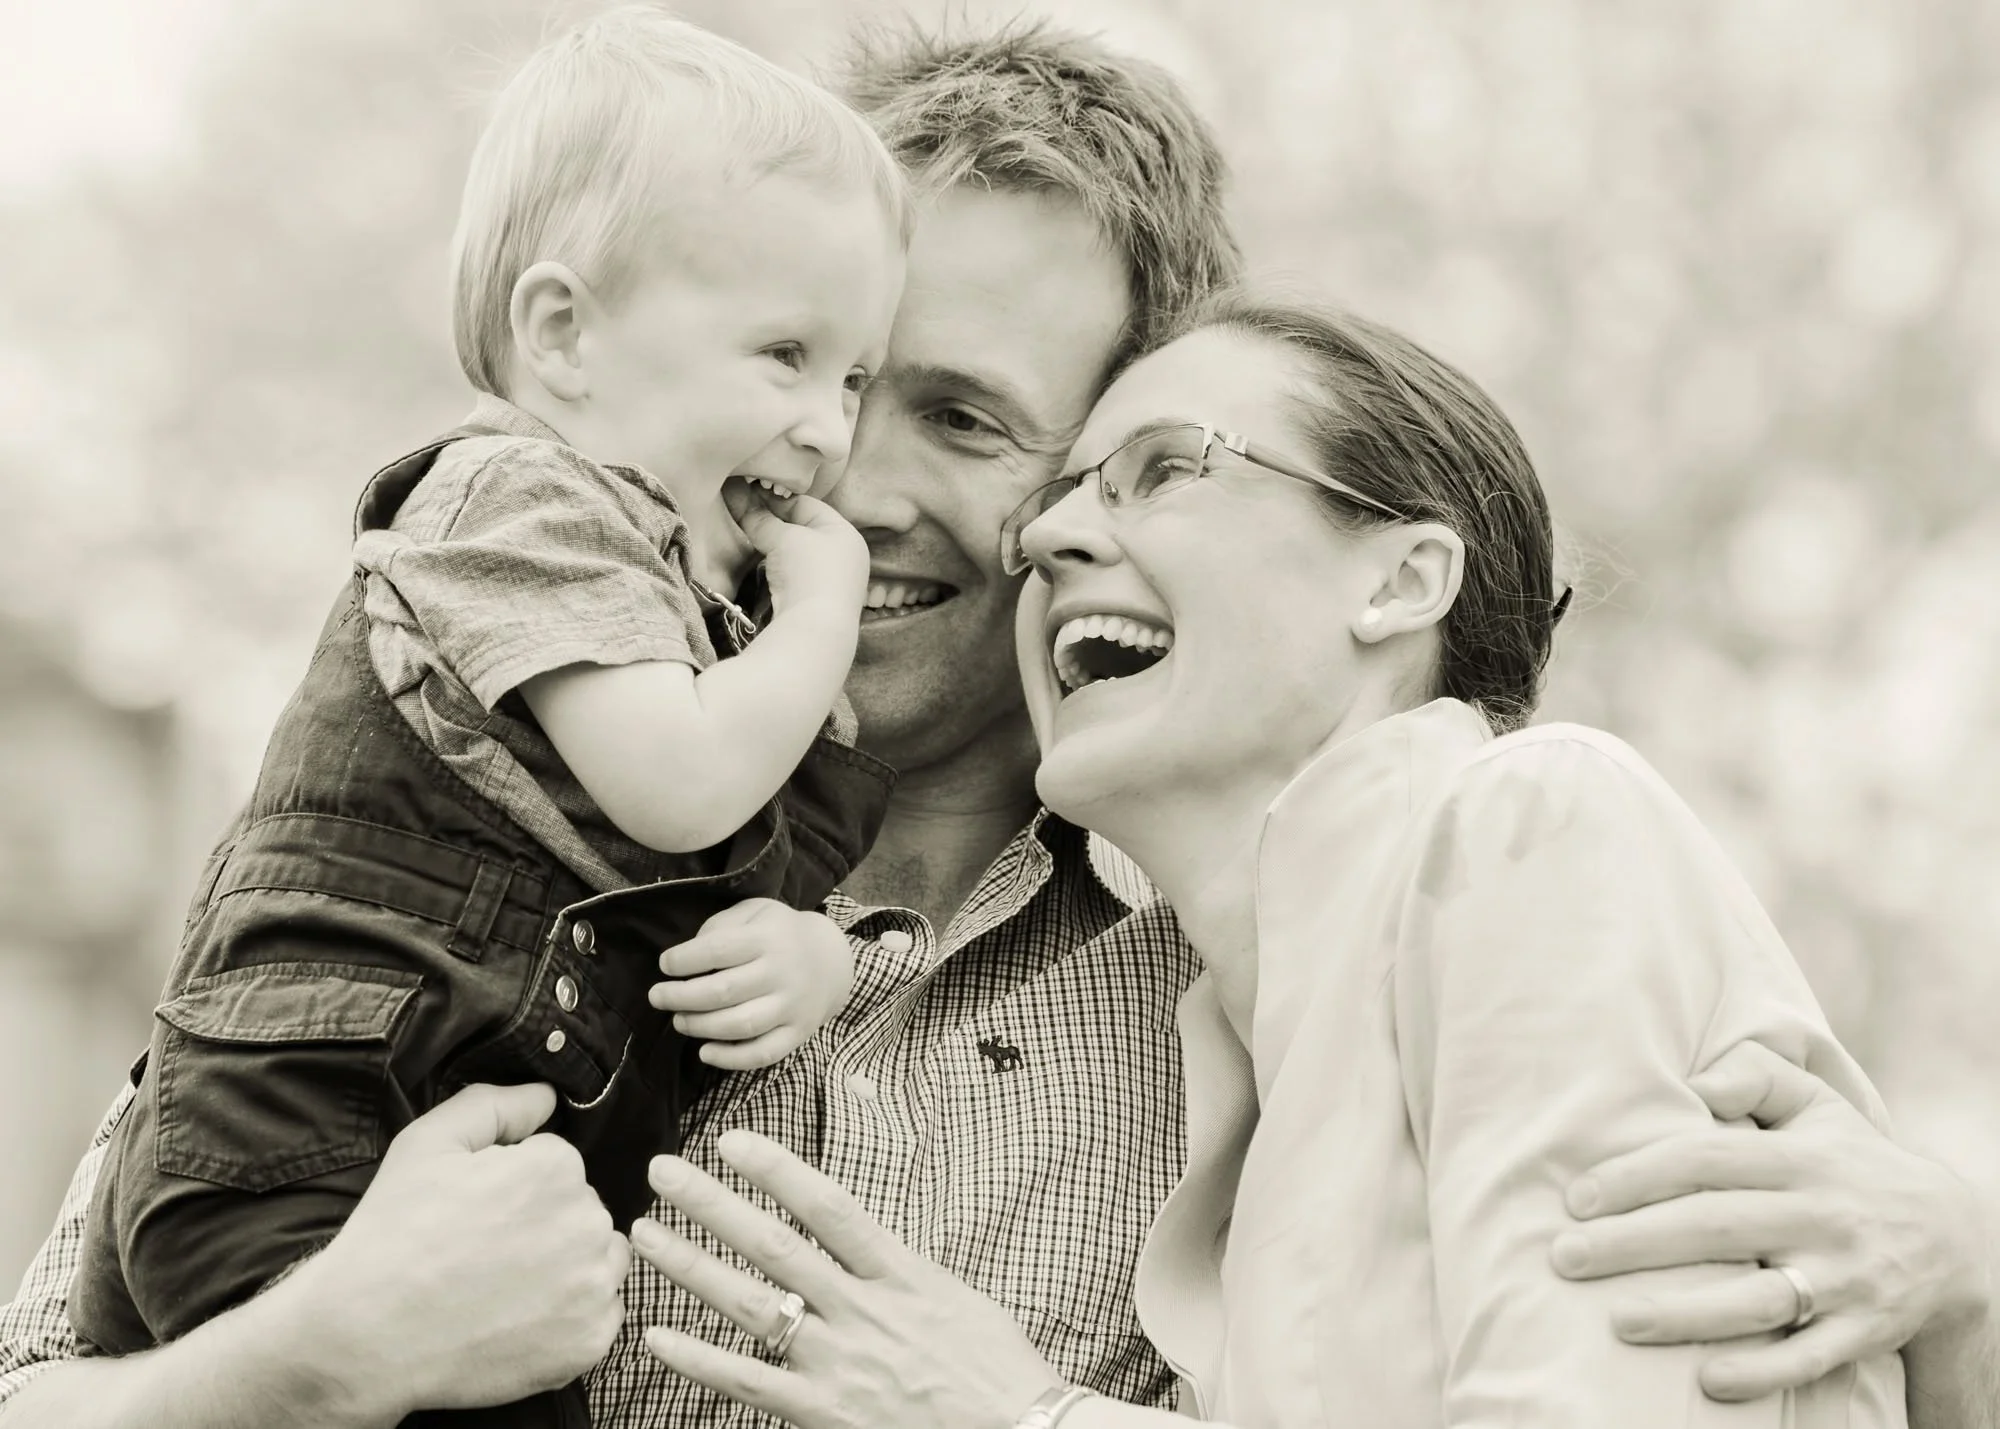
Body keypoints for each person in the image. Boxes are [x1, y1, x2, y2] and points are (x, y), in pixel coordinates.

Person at [0, 19, 1992, 1429]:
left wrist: (1969, 1286)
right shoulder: (447, 866)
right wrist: (300, 1362)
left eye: (956, 417)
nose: (835, 472)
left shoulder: (1267, 1011)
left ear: (1084, 498)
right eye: (802, 368)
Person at [629, 294, 1927, 1428]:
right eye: (1066, 491)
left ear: (1403, 579)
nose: (1049, 539)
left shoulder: (1528, 827)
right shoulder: (1253, 1050)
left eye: (1162, 469)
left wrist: (1007, 1411)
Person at [64, 9, 906, 1424]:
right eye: (783, 355)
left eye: (854, 378)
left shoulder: (684, 594)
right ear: (564, 334)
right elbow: (684, 790)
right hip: (314, 1125)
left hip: (424, 1129)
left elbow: (715, 866)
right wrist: (824, 618)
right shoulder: (521, 503)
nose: (829, 429)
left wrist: (815, 955)